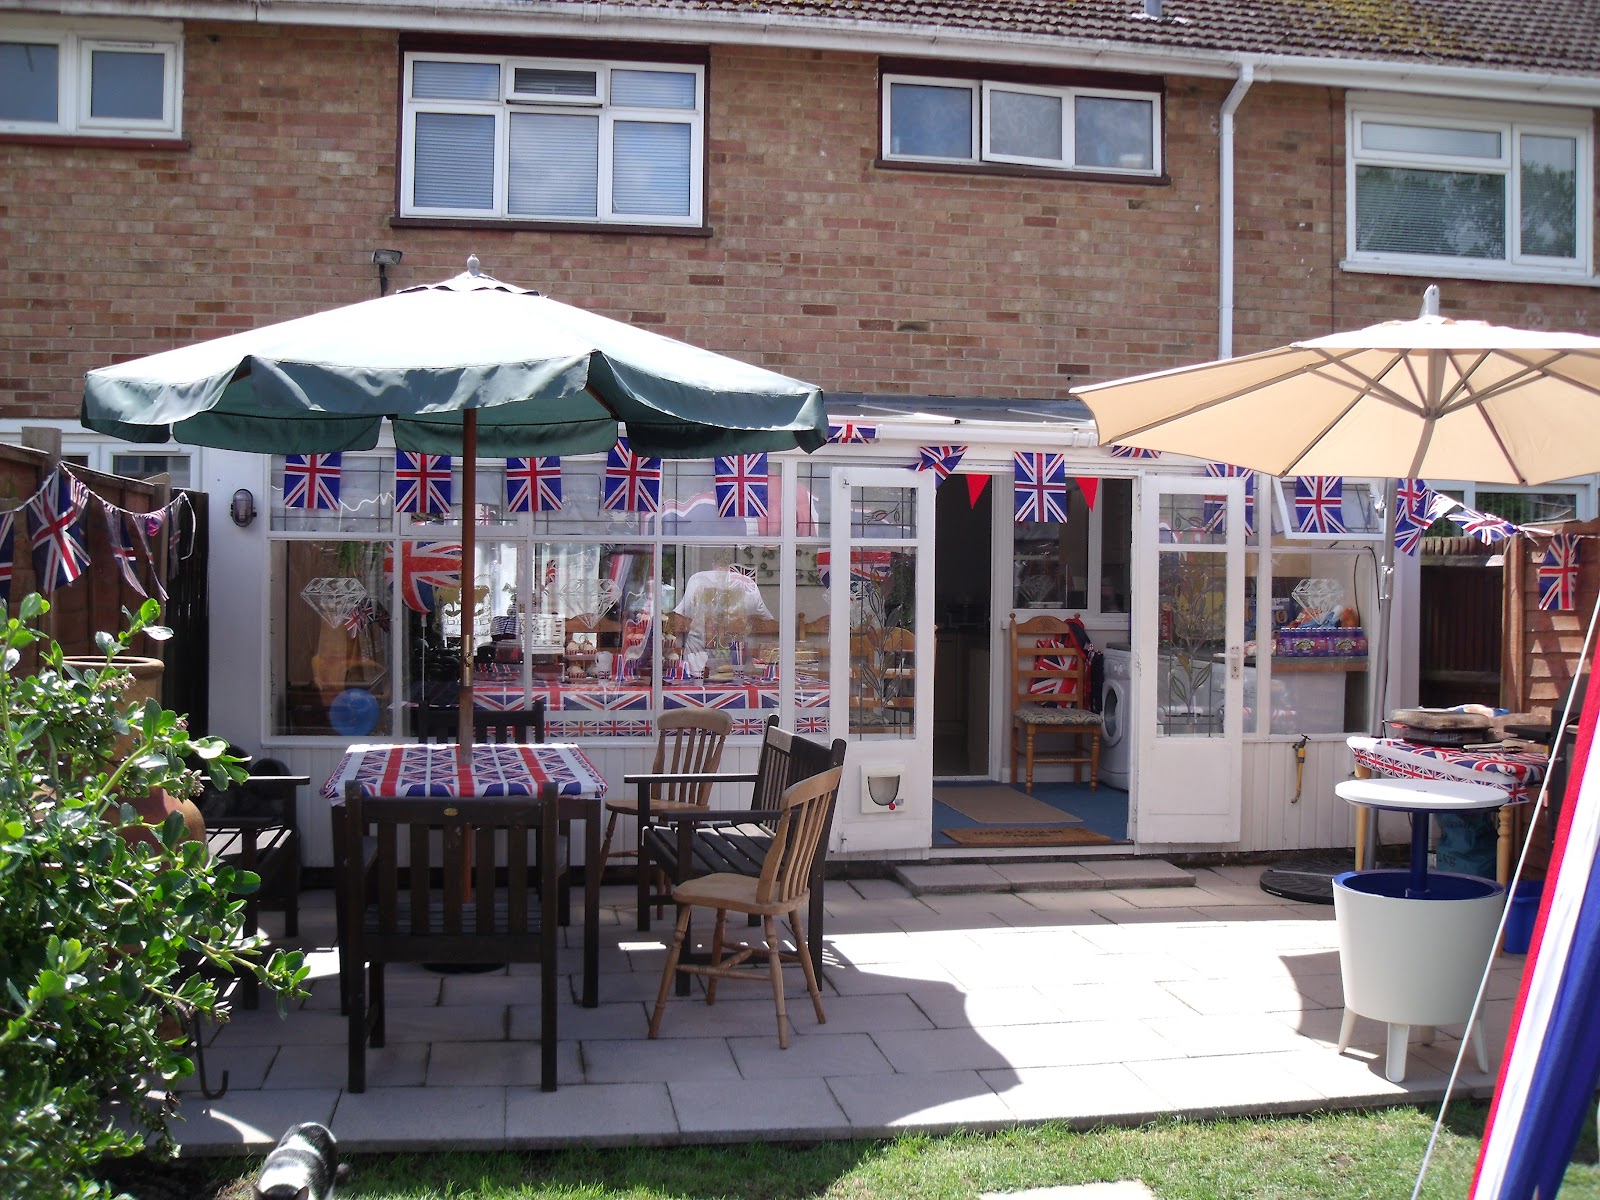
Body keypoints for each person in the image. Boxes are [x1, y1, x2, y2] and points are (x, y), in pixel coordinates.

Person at [672, 563, 773, 677]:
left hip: (732, 655)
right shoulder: (697, 580)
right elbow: (683, 617)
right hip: (699, 652)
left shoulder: (747, 585)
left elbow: (763, 619)